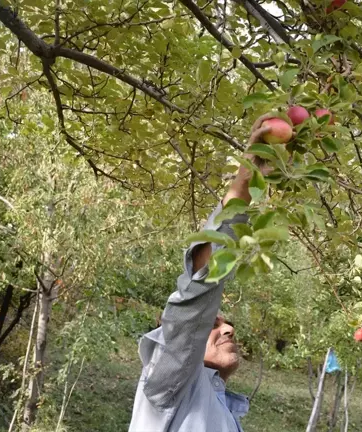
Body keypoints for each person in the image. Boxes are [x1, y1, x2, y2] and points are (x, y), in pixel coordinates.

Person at [128, 117, 273, 432]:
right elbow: (194, 298)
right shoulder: (166, 384)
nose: (229, 329)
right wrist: (242, 188)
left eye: (226, 322)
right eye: (213, 323)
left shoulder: (222, 409)